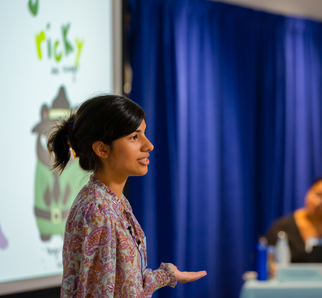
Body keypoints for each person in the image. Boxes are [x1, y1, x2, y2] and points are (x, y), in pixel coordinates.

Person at [48, 95, 206, 297]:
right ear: (102, 149)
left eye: (144, 133)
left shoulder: (113, 200)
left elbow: (124, 285)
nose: (148, 145)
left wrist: (167, 275)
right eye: (134, 137)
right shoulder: (98, 210)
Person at [265, 177, 322, 263]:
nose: (318, 202)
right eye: (317, 194)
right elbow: (268, 259)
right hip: (292, 278)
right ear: (309, 192)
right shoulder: (283, 226)